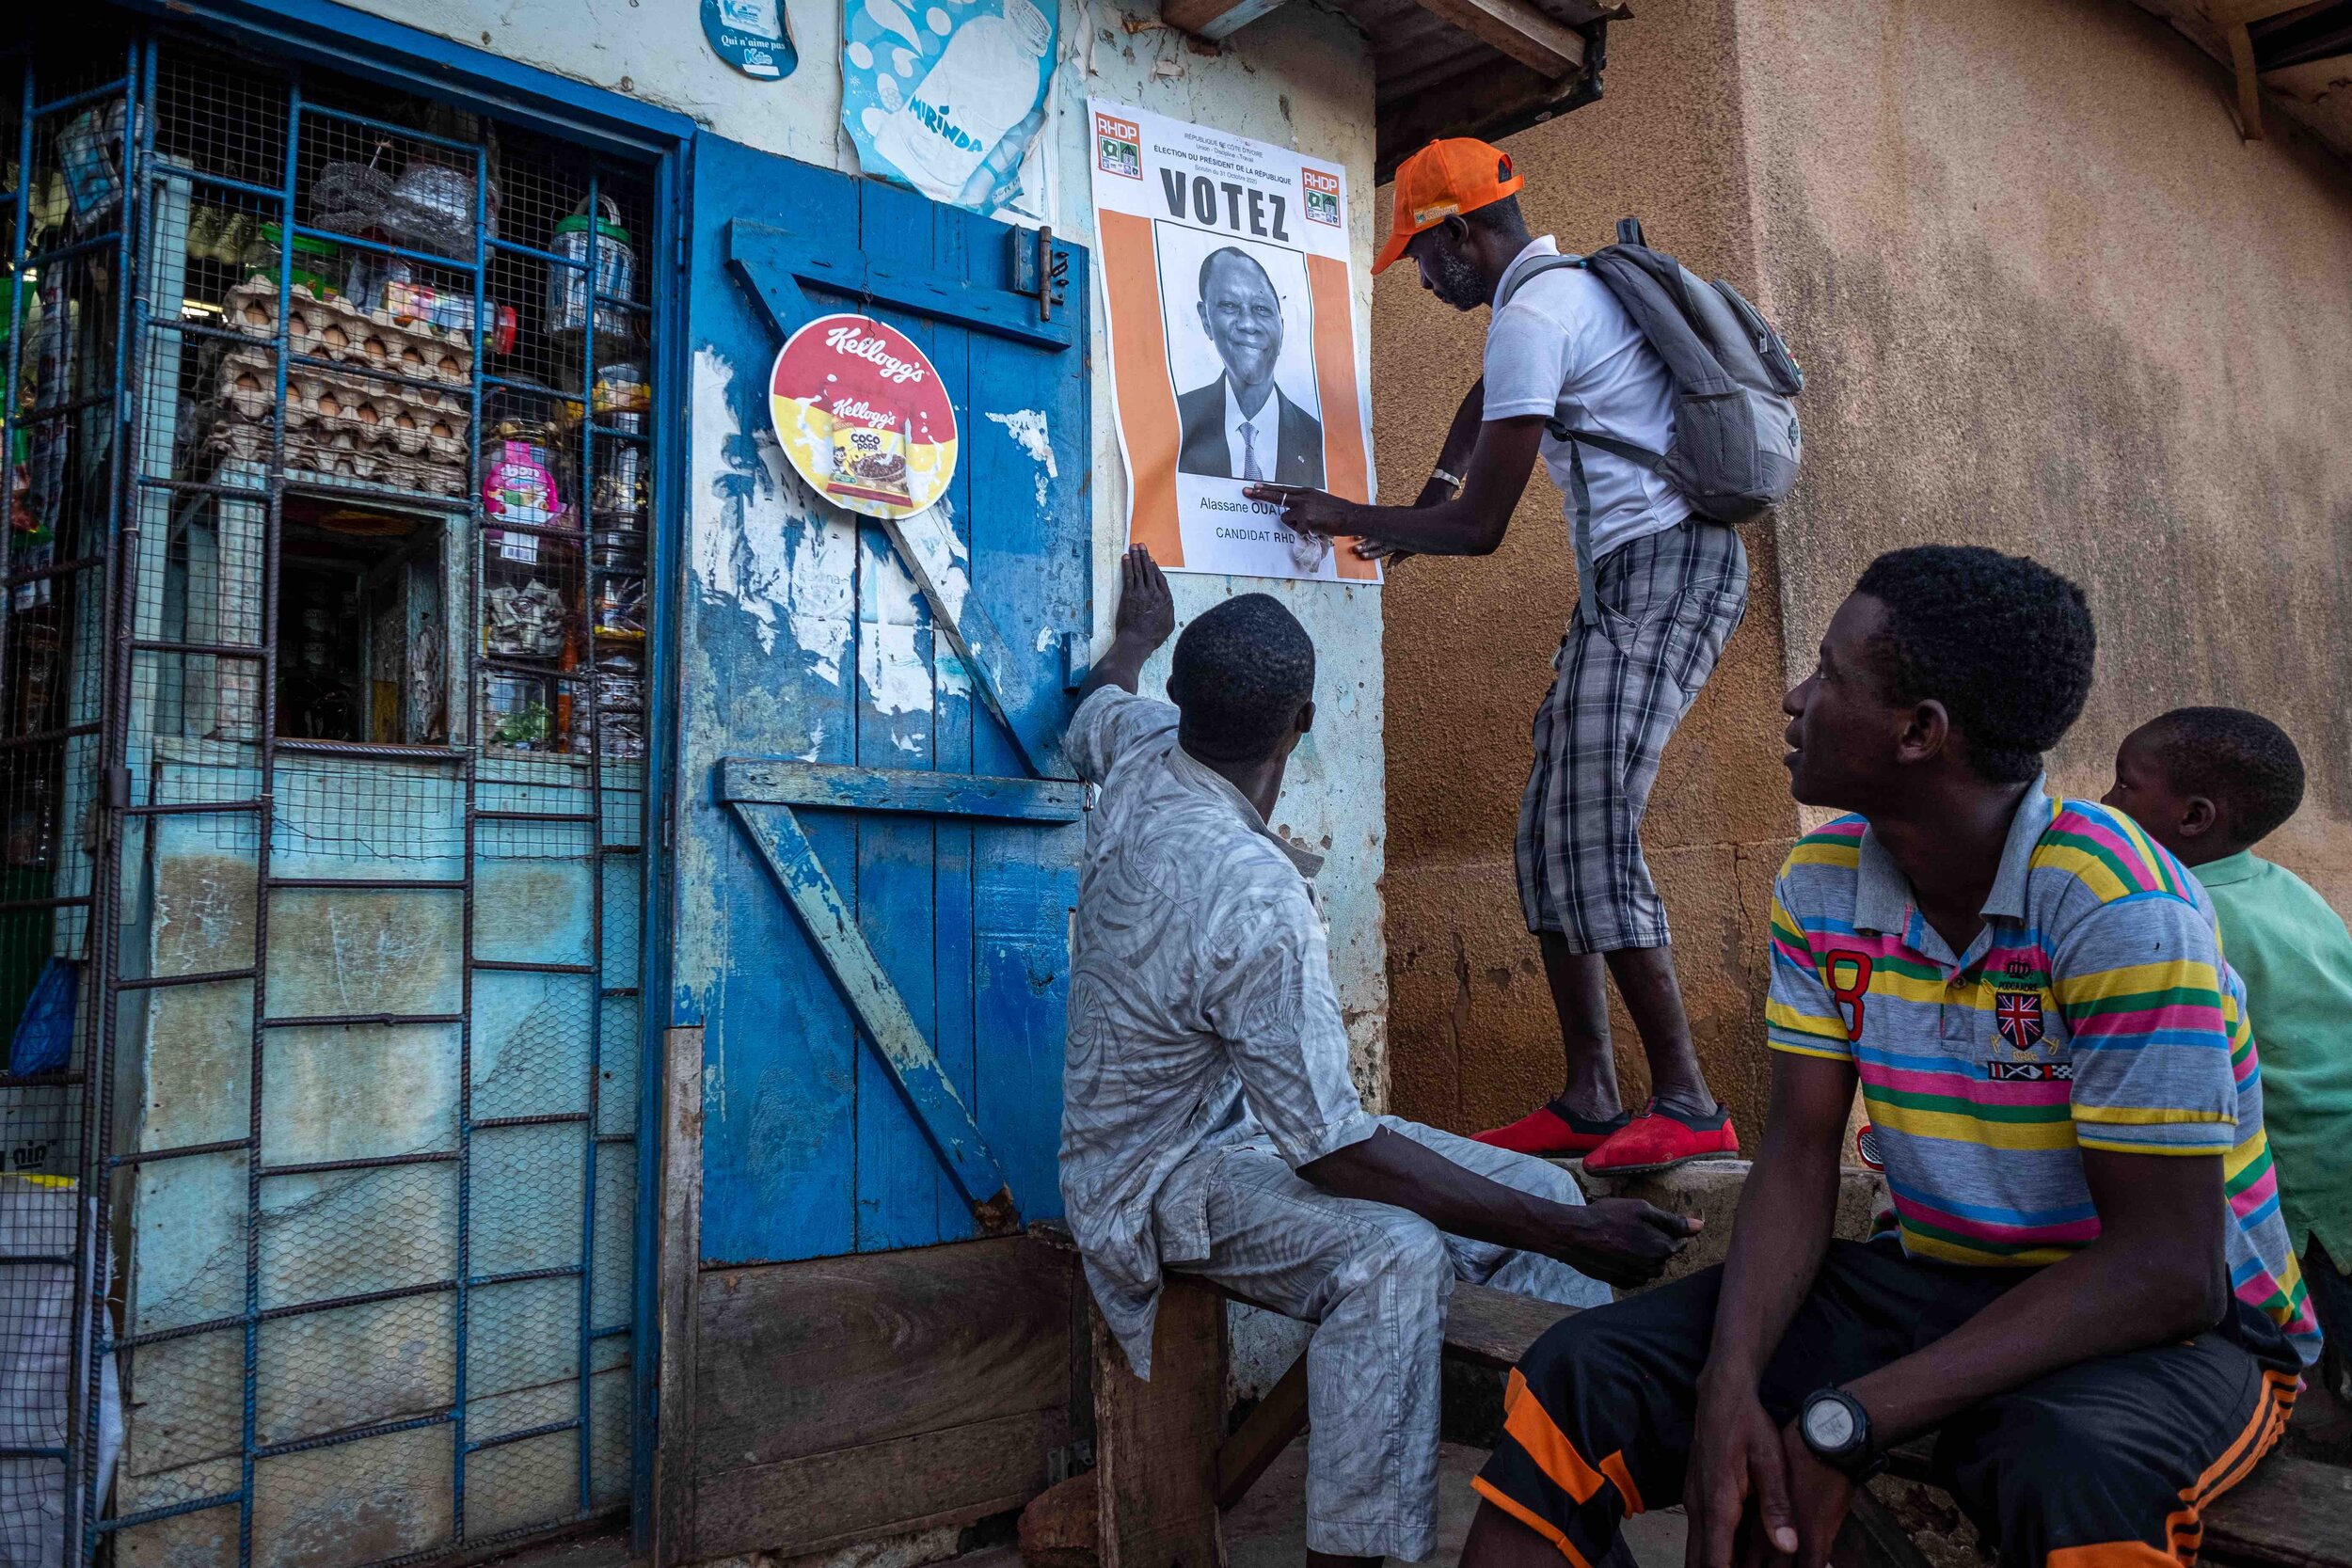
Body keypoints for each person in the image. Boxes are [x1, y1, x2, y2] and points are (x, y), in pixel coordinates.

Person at [1460, 546, 2320, 1568]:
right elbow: (1798, 1150)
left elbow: (2166, 1270)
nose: (1794, 695)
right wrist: (1730, 1383)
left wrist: (1850, 1415)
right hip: (1943, 1274)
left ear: (1920, 732)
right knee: (1583, 1370)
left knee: (2068, 1459)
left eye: (1828, 674)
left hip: (2183, 1326)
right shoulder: (1822, 881)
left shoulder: (2117, 903)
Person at [1062, 546, 1697, 1568]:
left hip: (1235, 1142)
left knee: (1537, 1184)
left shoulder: (1141, 752)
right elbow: (1332, 1155)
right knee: (1389, 1253)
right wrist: (1565, 1234)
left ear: (1177, 699)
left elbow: (1094, 701)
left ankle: (1563, 1486)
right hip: (1151, 1182)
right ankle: (1358, 1554)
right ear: (1305, 721)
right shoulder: (1256, 892)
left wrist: (1131, 640)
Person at [1244, 138, 1740, 1173]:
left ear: (1459, 234)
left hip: (1665, 571)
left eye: (1420, 259)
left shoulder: (1534, 311)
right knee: (1546, 829)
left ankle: (1689, 1102)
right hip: (1628, 580)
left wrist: (1342, 510)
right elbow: (1489, 405)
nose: (1420, 281)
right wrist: (1424, 493)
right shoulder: (1549, 302)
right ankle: (1590, 1096)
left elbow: (1481, 531)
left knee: (1592, 820)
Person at [2104, 705, 2352, 1418]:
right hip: (2338, 1155)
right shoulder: (2283, 887)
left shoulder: (2179, 919)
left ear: (2193, 817)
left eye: (2124, 785)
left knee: (2307, 1377)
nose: (2105, 802)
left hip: (2312, 1189)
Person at [1176, 245, 1325, 486]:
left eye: (1261, 309)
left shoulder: (1318, 439)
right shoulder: (1176, 421)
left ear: (1281, 325)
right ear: (1205, 319)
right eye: (1229, 306)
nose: (1247, 324)